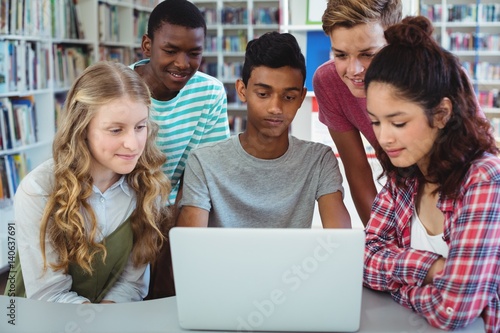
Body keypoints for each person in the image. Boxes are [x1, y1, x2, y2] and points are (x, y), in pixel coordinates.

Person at [363, 16, 500, 333]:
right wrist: (431, 267)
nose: (384, 138)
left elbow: (454, 310)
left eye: (398, 123)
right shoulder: (403, 175)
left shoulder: (484, 178)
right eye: (375, 122)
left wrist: (398, 285)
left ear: (441, 114)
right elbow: (364, 259)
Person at [6, 61, 172, 303]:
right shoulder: (38, 189)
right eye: (116, 130)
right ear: (82, 128)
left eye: (140, 127)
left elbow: (131, 283)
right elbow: (48, 295)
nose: (133, 144)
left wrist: (104, 317)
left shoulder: (149, 188)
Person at [177, 32, 351, 229]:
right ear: (242, 90)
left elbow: (340, 241)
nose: (275, 108)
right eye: (263, 94)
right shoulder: (203, 162)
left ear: (302, 97)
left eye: (288, 97)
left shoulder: (319, 160)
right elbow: (193, 249)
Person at [130, 0, 230, 299]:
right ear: (147, 46)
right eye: (171, 50)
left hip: (179, 207)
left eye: (194, 53)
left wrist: (173, 226)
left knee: (175, 280)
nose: (183, 63)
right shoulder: (120, 88)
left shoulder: (210, 92)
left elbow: (203, 171)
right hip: (126, 203)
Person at [313, 0, 402, 226]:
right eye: (341, 55)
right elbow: (357, 171)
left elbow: (479, 158)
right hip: (404, 198)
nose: (354, 70)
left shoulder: (437, 74)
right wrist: (379, 241)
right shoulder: (329, 82)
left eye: (368, 54)